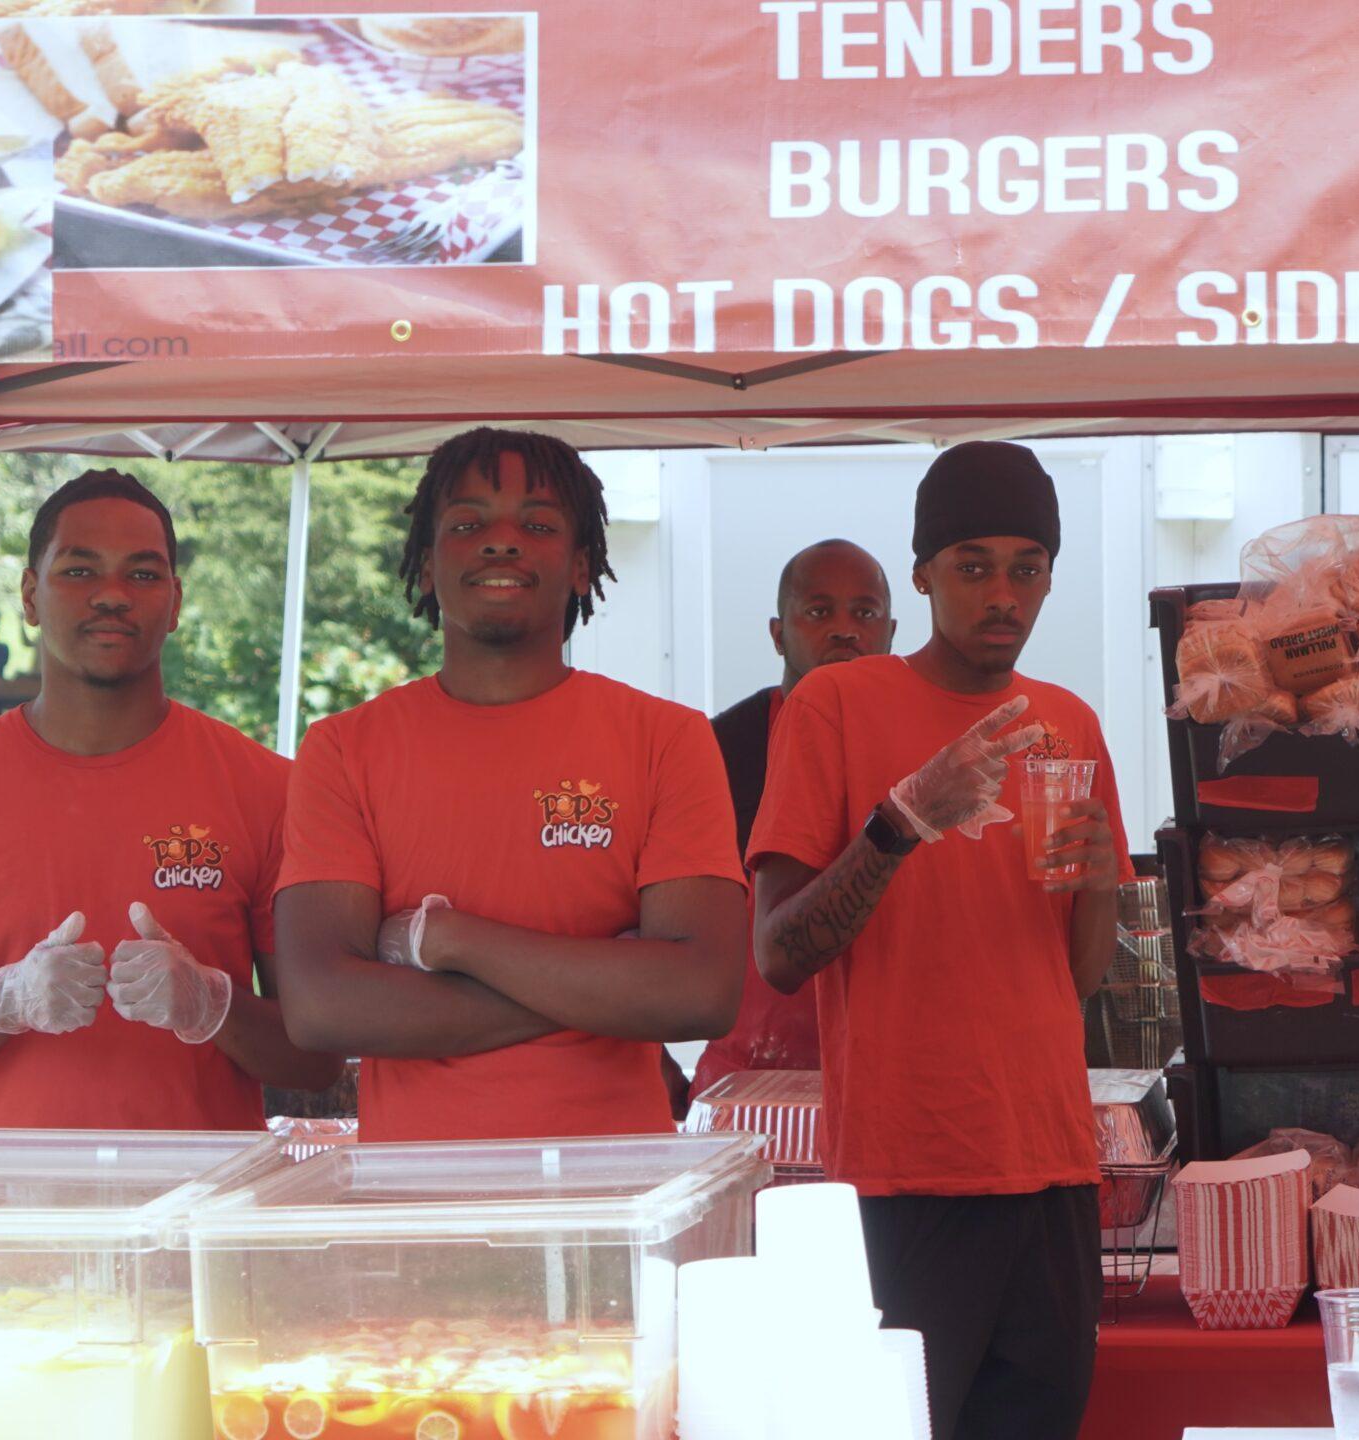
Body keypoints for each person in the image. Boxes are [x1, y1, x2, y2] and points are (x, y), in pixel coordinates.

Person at [748, 441, 1127, 1440]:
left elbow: (1079, 977)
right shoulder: (836, 704)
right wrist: (903, 820)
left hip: (1052, 1168)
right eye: (973, 567)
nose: (1002, 595)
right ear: (920, 576)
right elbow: (779, 952)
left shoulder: (1068, 722)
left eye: (1026, 568)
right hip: (903, 1175)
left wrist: (1099, 883)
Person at [274, 429, 749, 1142]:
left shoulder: (668, 738)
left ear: (582, 566)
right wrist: (602, 986)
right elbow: (320, 1007)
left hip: (615, 1188)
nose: (501, 542)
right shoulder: (343, 749)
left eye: (538, 525)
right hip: (415, 1191)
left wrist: (455, 941)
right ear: (427, 566)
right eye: (468, 525)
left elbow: (700, 993)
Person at [0, 471, 339, 1126]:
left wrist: (213, 1005)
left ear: (175, 602)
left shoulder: (268, 790)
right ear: (30, 595)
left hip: (201, 1189)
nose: (113, 595)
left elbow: (319, 1059)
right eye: (79, 570)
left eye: (143, 574)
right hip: (4, 1191)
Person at [690, 539, 896, 1093]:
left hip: (894, 1072)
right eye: (819, 612)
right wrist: (648, 1062)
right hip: (749, 1079)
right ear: (778, 634)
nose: (845, 631)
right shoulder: (718, 750)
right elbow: (632, 915)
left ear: (892, 631)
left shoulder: (923, 746)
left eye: (865, 613)